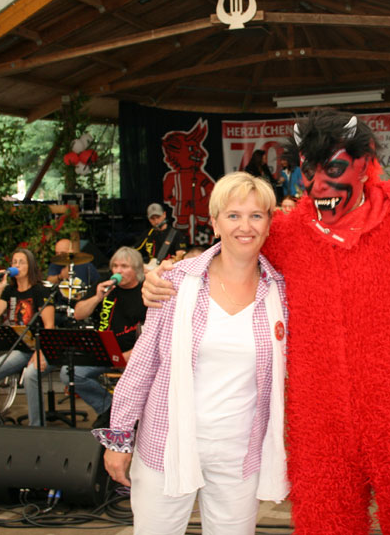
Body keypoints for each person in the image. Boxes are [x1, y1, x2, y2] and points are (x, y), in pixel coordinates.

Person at [143, 10, 390, 533]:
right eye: (308, 173)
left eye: (333, 170)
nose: (318, 187)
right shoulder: (287, 233)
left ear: (363, 165)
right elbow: (234, 245)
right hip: (318, 422)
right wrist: (168, 277)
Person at [94, 172, 288, 534]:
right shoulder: (175, 282)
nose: (244, 226)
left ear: (269, 224)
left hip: (240, 454)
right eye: (233, 215)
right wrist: (118, 439)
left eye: (256, 215)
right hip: (166, 445)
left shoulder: (282, 293)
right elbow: (142, 366)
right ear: (214, 222)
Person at [37, 246, 147, 425]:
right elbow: (78, 314)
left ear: (136, 270)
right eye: (115, 266)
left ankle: (120, 417)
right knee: (69, 373)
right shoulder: (103, 286)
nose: (118, 271)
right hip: (100, 350)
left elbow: (150, 334)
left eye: (124, 266)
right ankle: (108, 408)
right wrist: (97, 298)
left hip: (130, 354)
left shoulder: (143, 293)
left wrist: (131, 355)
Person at [0, 248, 55, 428]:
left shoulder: (40, 290)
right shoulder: (9, 291)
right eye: (14, 262)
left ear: (30, 266)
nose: (17, 265)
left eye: (21, 262)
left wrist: (39, 352)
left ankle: (37, 427)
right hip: (20, 348)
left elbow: (49, 325)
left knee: (30, 375)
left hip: (41, 347)